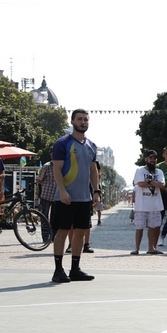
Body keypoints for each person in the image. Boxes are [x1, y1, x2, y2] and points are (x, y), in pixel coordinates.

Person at [48, 109, 99, 283]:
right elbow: (56, 169)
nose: (83, 122)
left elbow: (93, 170)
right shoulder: (63, 143)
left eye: (86, 119)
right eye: (80, 119)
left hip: (84, 198)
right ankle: (58, 270)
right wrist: (62, 191)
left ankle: (75, 269)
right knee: (62, 232)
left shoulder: (92, 145)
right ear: (72, 121)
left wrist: (97, 191)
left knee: (80, 233)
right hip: (65, 198)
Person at [131, 149, 165, 255]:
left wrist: (149, 182)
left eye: (154, 158)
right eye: (150, 158)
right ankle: (136, 248)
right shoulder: (140, 170)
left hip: (155, 204)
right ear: (146, 159)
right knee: (139, 227)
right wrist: (154, 183)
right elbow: (140, 183)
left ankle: (151, 248)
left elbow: (162, 185)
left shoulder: (159, 172)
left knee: (153, 227)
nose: (153, 160)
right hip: (141, 204)